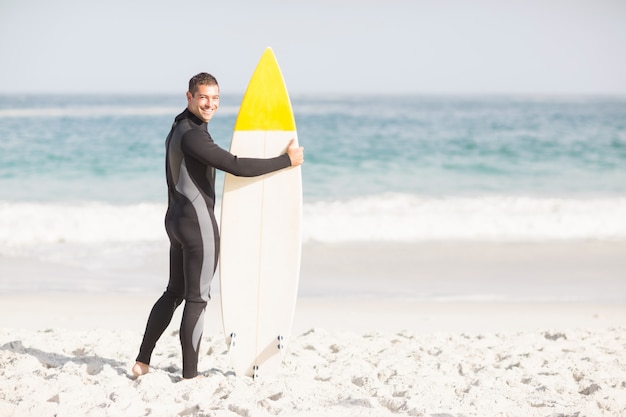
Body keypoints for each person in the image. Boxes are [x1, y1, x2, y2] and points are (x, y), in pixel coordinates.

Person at [132, 72, 304, 379]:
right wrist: (285, 162)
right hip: (197, 227)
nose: (210, 104)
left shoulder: (179, 126)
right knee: (197, 299)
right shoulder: (194, 135)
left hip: (175, 221)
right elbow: (235, 165)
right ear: (190, 97)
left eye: (215, 98)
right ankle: (190, 375)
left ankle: (142, 360)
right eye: (203, 97)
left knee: (174, 292)